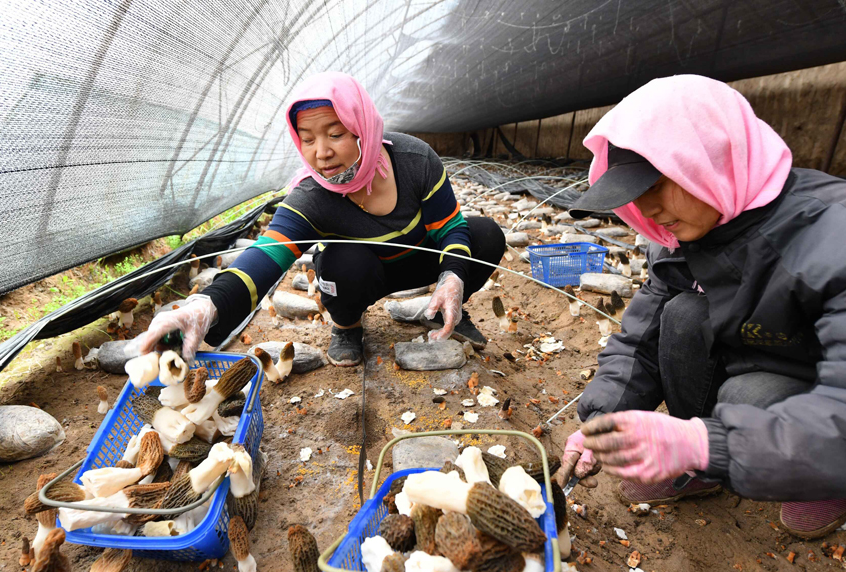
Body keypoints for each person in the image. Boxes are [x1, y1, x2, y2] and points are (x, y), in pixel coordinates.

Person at [556, 74, 846, 539]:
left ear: (709, 161)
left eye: (658, 185)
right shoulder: (680, 238)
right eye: (636, 195)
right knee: (682, 315)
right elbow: (640, 337)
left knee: (747, 398)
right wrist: (600, 420)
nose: (647, 211)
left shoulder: (830, 237)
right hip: (752, 349)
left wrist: (702, 440)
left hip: (819, 389)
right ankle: (707, 466)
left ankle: (825, 479)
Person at [140, 72, 504, 367]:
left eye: (335, 134)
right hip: (363, 276)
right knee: (339, 262)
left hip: (422, 259)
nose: (322, 153)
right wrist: (205, 306)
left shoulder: (414, 160)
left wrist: (453, 275)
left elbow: (451, 227)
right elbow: (265, 257)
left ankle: (442, 307)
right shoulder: (312, 198)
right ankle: (347, 327)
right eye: (307, 139)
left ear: (362, 128)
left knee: (485, 235)